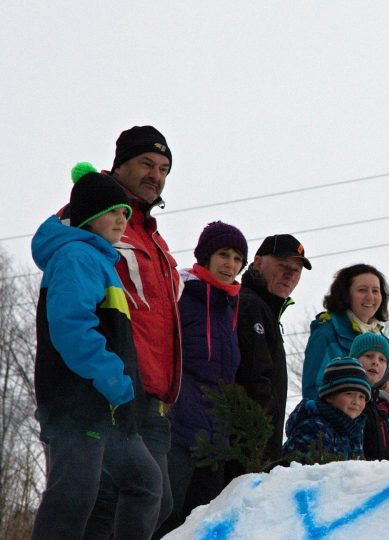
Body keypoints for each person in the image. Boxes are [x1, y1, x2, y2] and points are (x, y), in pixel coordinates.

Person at [32, 164, 161, 539]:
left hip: (107, 408)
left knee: (145, 484)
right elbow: (72, 327)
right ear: (89, 215)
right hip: (79, 403)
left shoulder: (101, 261)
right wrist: (113, 378)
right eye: (113, 212)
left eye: (125, 212)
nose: (122, 220)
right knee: (71, 502)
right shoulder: (77, 256)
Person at [76, 126, 180, 534]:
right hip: (111, 387)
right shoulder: (95, 218)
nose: (156, 174)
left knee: (158, 502)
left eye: (164, 168)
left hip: (153, 396)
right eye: (146, 164)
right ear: (120, 166)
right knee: (104, 503)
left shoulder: (155, 240)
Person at [157, 222, 247, 536]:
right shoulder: (181, 292)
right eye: (223, 254)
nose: (230, 264)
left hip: (214, 438)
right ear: (206, 256)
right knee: (165, 517)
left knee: (201, 524)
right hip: (178, 429)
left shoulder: (230, 307)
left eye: (237, 259)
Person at [232, 234, 311, 474]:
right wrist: (263, 435)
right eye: (282, 266)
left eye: (296, 270)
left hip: (259, 442)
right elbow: (255, 378)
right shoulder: (250, 305)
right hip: (244, 443)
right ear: (257, 262)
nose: (290, 275)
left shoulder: (266, 310)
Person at [302, 263, 389, 400]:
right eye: (362, 290)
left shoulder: (381, 340)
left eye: (375, 291)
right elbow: (314, 390)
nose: (370, 297)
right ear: (346, 294)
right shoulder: (327, 333)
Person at [282, 358, 371, 463]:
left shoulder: (354, 430)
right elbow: (306, 473)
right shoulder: (314, 427)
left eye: (361, 397)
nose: (356, 401)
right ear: (329, 396)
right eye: (349, 393)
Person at [348, 333, 389, 461]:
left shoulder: (377, 411)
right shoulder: (347, 397)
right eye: (368, 356)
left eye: (382, 359)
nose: (375, 362)